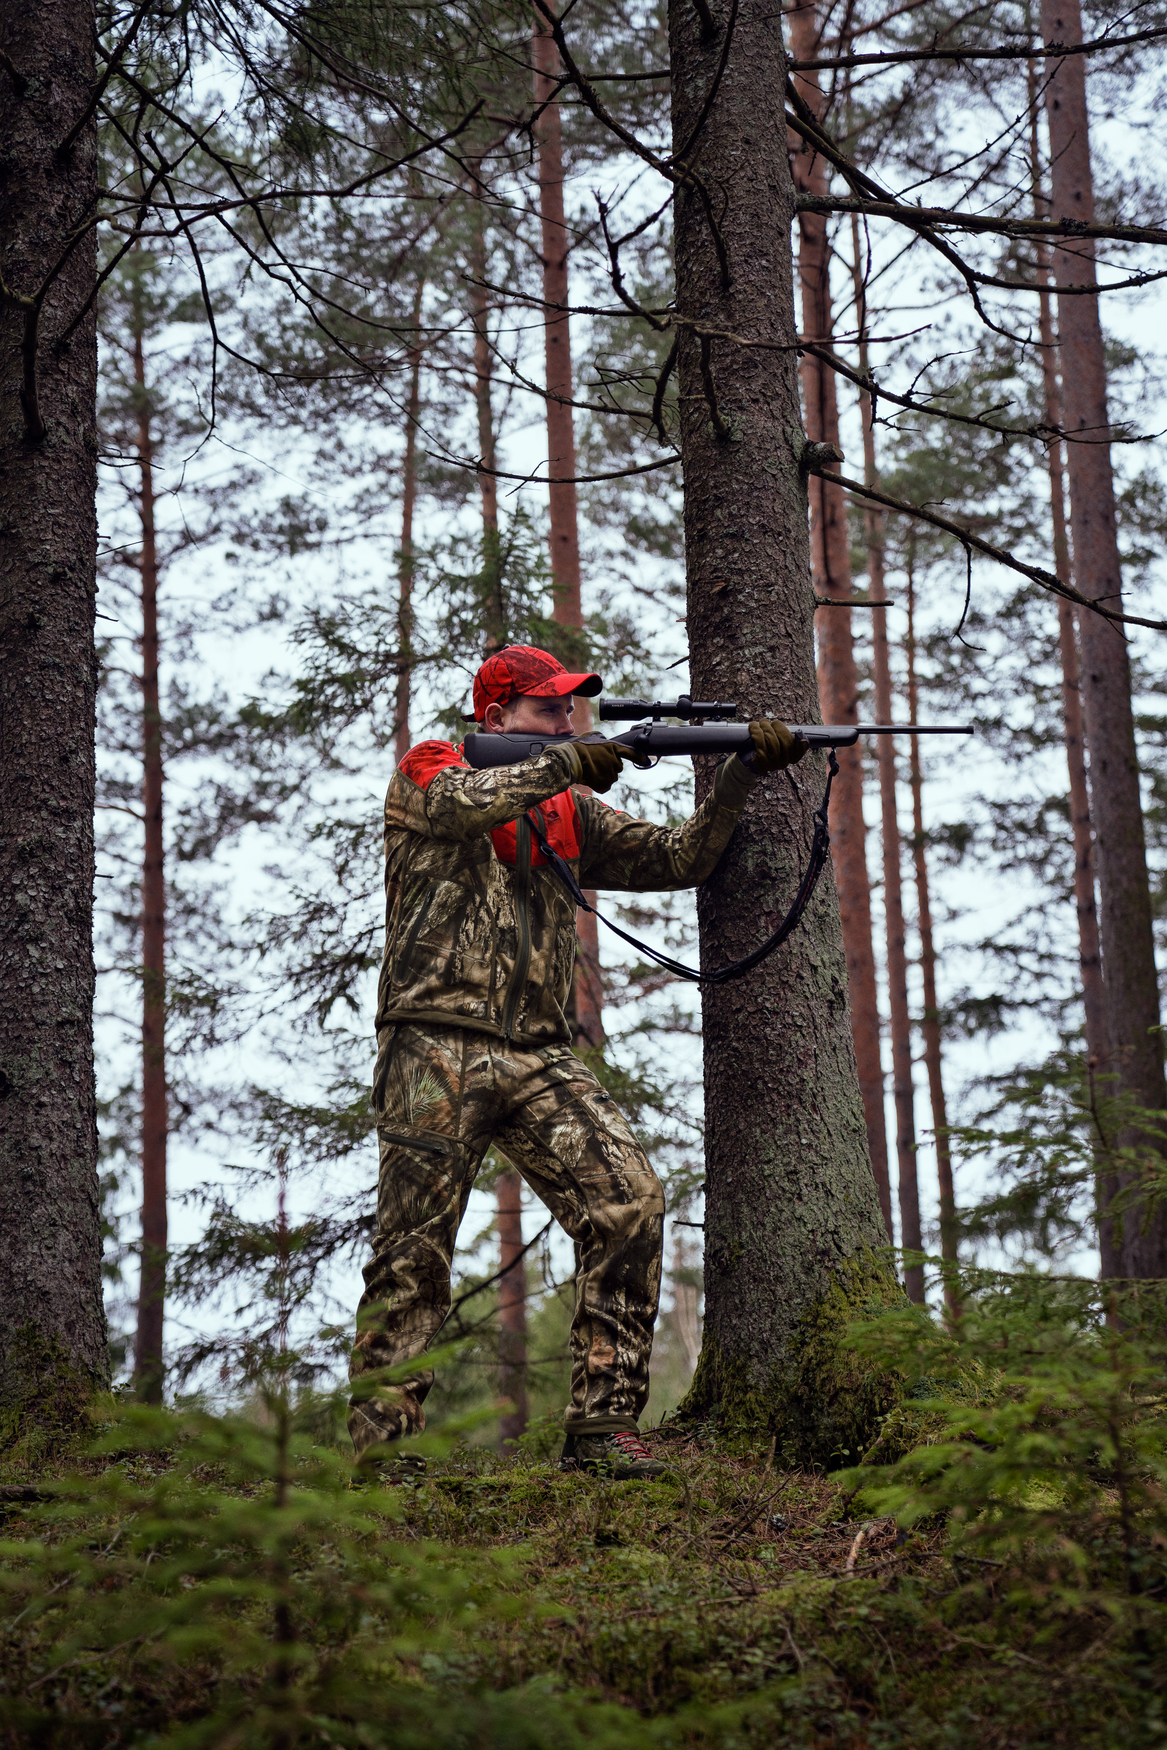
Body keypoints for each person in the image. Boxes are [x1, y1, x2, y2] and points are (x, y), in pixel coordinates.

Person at [348, 644, 806, 1479]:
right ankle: (382, 1455)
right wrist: (564, 763)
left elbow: (677, 858)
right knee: (413, 1252)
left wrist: (739, 775)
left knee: (629, 1202)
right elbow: (460, 807)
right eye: (548, 709)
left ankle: (600, 1428)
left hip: (537, 1050)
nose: (567, 722)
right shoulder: (431, 766)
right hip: (433, 1041)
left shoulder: (567, 809)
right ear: (497, 717)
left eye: (570, 709)